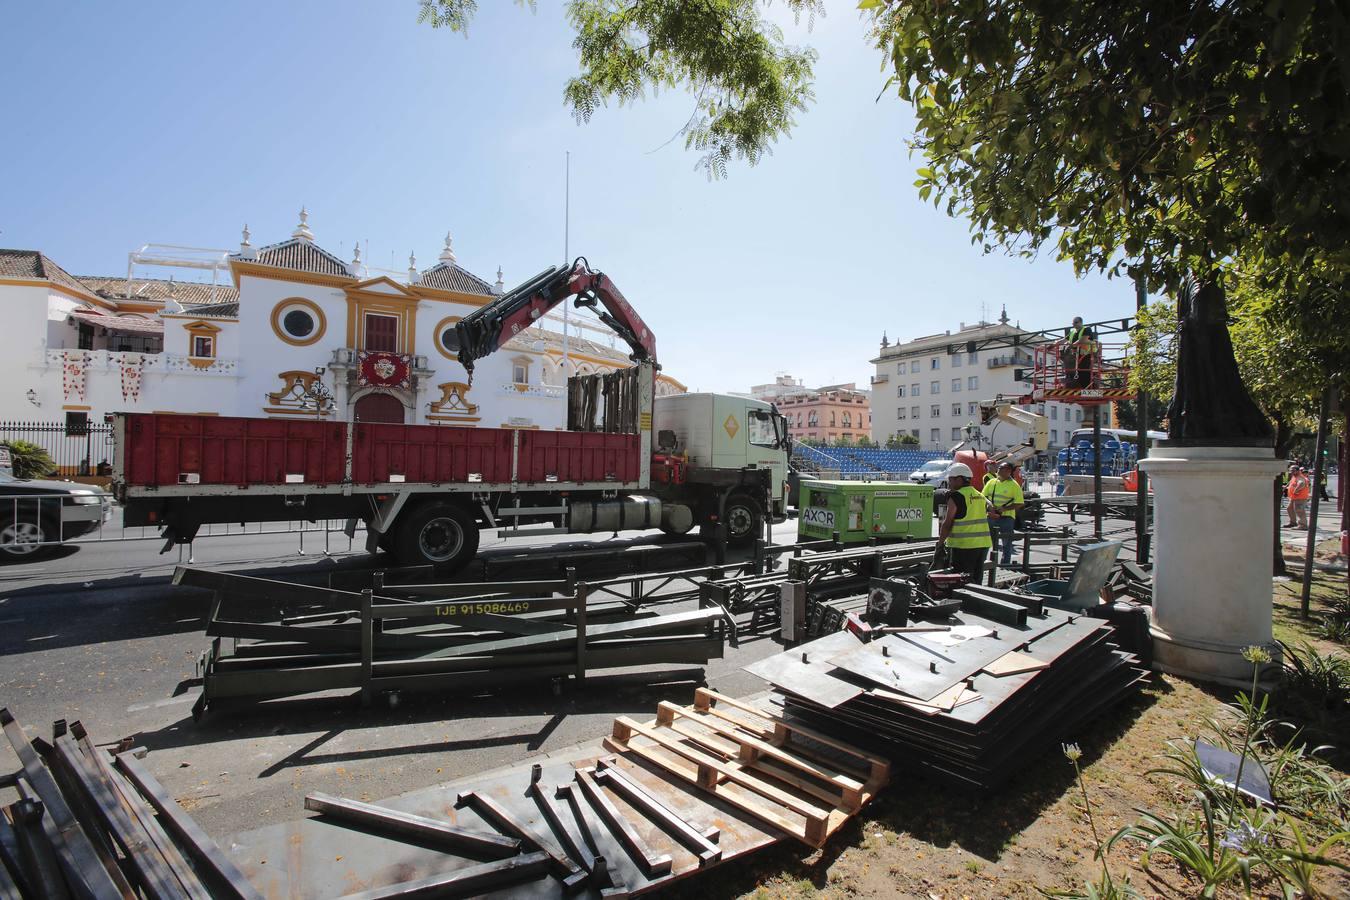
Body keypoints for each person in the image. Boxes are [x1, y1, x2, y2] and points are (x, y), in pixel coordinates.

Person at [936, 462, 992, 582]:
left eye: (951, 479)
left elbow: (947, 523)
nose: (949, 483)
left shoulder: (956, 496)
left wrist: (940, 544)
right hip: (982, 545)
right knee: (976, 578)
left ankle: (965, 600)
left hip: (964, 546)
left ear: (960, 479)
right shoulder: (979, 495)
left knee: (962, 580)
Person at [983, 461, 1025, 566]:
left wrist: (1004, 509)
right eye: (999, 467)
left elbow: (1019, 503)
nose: (998, 469)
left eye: (1001, 468)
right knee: (987, 542)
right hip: (992, 516)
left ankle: (1005, 564)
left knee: (1006, 543)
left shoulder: (1014, 485)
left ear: (1008, 471)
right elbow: (983, 497)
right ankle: (986, 563)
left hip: (1007, 518)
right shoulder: (992, 482)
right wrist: (989, 508)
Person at [1064, 317, 1098, 388]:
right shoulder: (1072, 332)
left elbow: (1083, 340)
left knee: (1084, 371)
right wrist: (1052, 345)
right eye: (1073, 323)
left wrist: (1071, 346)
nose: (1074, 325)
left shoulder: (1086, 329)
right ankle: (1079, 386)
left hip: (1087, 354)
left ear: (1081, 322)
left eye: (1076, 323)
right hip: (1076, 355)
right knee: (1074, 371)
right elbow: (1064, 340)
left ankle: (1087, 388)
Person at [1287, 465, 1311, 529]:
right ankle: (1293, 522)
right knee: (1290, 508)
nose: (1291, 472)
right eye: (1290, 470)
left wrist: (1296, 490)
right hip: (1294, 497)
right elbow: (1293, 484)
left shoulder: (1300, 477)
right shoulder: (1295, 476)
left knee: (1299, 510)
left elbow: (1301, 483)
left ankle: (1303, 525)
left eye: (1293, 470)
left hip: (1300, 497)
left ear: (1297, 471)